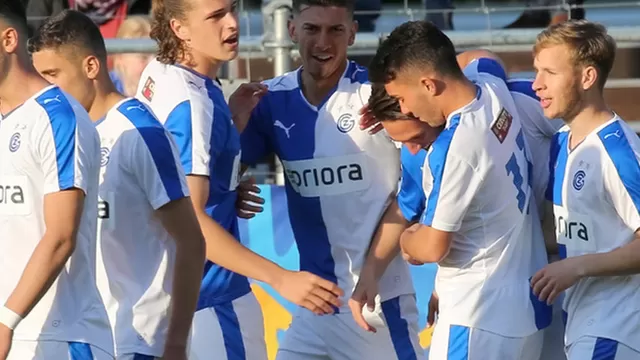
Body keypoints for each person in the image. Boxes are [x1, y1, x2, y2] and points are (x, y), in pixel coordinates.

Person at [137, 0, 343, 359]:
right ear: (179, 28)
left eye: (231, 9)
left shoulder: (160, 72)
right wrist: (280, 278)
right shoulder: (193, 103)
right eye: (216, 16)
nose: (233, 24)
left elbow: (165, 184)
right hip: (213, 301)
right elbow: (193, 222)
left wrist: (223, 181)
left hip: (159, 297)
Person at [232, 0, 423, 359]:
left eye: (335, 30)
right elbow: (219, 178)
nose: (323, 42)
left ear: (352, 32)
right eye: (312, 29)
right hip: (314, 304)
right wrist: (233, 183)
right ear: (292, 30)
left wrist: (372, 269)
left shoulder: (380, 94)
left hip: (376, 303)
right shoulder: (270, 99)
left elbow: (414, 192)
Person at [364, 20, 551, 359]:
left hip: (476, 317)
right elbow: (481, 55)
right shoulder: (491, 87)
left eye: (402, 98)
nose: (405, 108)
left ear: (429, 84)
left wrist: (408, 241)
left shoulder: (454, 148)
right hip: (524, 314)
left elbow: (432, 247)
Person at [29, 9, 207, 360]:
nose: (44, 92)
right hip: (83, 336)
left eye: (52, 76)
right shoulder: (63, 135)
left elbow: (192, 242)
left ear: (91, 67)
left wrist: (175, 343)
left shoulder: (140, 133)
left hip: (138, 341)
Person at [0, 1, 114, 359]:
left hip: (60, 338)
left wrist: (5, 321)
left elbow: (61, 236)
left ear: (8, 39)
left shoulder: (58, 117)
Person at [530, 20, 640, 359]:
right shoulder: (562, 141)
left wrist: (576, 267)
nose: (537, 85)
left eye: (550, 73)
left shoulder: (618, 152)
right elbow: (568, 232)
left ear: (587, 77)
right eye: (537, 72)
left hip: (615, 328)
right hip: (582, 323)